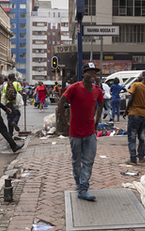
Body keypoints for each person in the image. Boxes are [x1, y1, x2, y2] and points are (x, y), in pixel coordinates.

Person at [58, 62, 103, 201]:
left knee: (88, 161)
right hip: (75, 133)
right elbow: (61, 102)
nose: (93, 75)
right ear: (83, 74)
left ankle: (83, 188)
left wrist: (97, 121)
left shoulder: (97, 90)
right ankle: (79, 184)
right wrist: (65, 123)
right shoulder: (74, 88)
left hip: (90, 132)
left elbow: (100, 104)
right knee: (76, 161)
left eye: (95, 73)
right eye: (89, 72)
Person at [0, 74, 24, 153]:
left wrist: (5, 108)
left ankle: (14, 146)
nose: (2, 79)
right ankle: (14, 146)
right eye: (1, 78)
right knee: (4, 130)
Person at [122, 71, 145, 165]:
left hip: (134, 113)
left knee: (132, 136)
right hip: (143, 114)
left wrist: (126, 111)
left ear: (143, 77)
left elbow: (131, 99)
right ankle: (141, 157)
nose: (138, 77)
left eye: (139, 76)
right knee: (141, 137)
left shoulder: (136, 85)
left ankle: (133, 158)